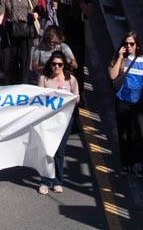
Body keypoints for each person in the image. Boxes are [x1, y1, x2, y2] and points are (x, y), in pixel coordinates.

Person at [108, 30, 143, 175]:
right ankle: (126, 163)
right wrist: (119, 57)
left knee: (140, 133)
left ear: (137, 45)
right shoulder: (120, 60)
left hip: (138, 101)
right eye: (126, 43)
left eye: (131, 44)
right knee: (124, 133)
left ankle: (137, 161)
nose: (128, 46)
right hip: (123, 100)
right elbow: (113, 76)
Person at [37, 52, 79, 194]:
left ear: (63, 66)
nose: (56, 67)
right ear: (50, 65)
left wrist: (71, 98)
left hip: (65, 120)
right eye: (54, 64)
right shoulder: (44, 79)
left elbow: (77, 98)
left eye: (60, 64)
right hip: (48, 120)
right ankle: (45, 181)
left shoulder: (71, 80)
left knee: (60, 152)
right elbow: (39, 97)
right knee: (47, 150)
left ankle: (57, 181)